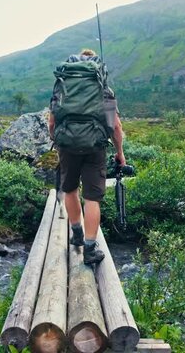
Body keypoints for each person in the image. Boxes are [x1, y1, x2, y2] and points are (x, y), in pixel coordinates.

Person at [48, 48, 125, 265]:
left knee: (70, 188)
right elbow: (116, 127)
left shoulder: (62, 87)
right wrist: (120, 153)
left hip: (67, 146)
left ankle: (77, 235)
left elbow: (52, 123)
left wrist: (60, 140)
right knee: (92, 198)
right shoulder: (105, 90)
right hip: (95, 148)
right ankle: (90, 250)